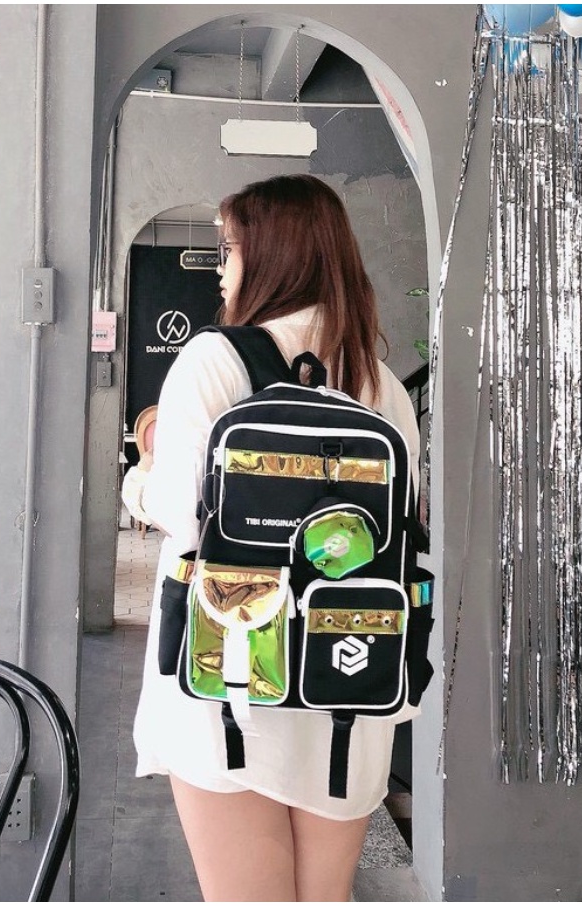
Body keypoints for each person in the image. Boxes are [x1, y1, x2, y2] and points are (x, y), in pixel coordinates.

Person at [133, 174, 421, 902]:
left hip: (231, 672)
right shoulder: (381, 385)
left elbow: (182, 512)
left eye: (228, 250)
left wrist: (140, 479)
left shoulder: (214, 360)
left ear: (270, 257)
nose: (221, 271)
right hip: (348, 676)